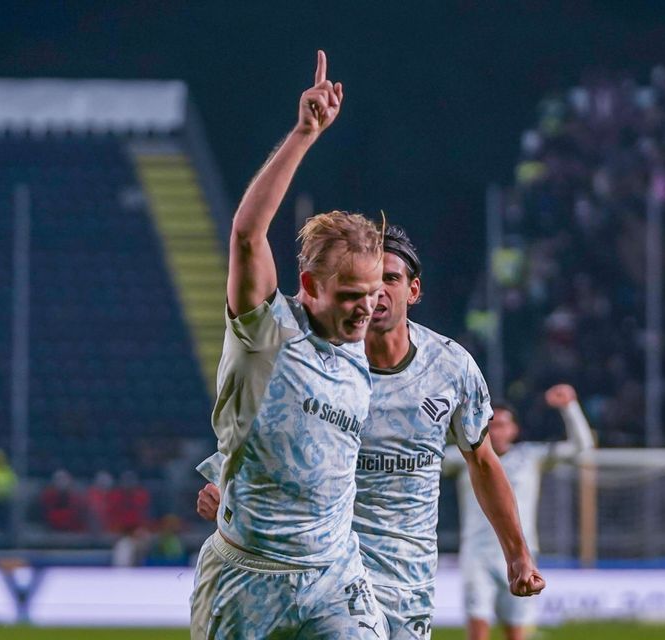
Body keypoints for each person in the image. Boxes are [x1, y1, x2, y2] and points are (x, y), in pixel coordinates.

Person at [198, 224, 546, 639]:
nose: (377, 291)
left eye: (390, 279)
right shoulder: (322, 361)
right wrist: (226, 484)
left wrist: (517, 555)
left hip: (406, 578)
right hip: (327, 571)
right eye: (368, 281)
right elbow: (270, 430)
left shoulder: (451, 367)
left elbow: (483, 463)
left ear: (413, 290)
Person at [189, 50, 387, 639]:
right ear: (310, 287)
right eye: (351, 294)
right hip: (247, 577)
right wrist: (304, 135)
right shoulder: (267, 332)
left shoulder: (359, 341)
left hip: (334, 575)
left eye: (373, 292)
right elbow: (248, 236)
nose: (367, 307)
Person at [445, 385, 594, 640]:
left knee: (516, 631)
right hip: (476, 555)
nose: (496, 431)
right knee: (477, 630)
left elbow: (582, 447)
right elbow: (422, 459)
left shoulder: (530, 457)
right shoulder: (464, 458)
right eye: (491, 425)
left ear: (514, 429)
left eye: (503, 425)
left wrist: (569, 407)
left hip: (521, 554)